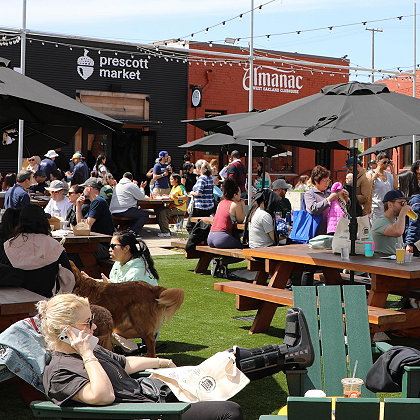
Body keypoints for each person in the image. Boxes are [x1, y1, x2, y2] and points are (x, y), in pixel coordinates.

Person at [39, 293, 313, 418]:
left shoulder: (89, 348)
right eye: (87, 323)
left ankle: (290, 353)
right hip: (152, 410)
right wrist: (87, 353)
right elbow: (103, 396)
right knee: (228, 412)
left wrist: (163, 362)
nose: (94, 328)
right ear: (65, 332)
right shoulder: (60, 372)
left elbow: (125, 363)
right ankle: (292, 354)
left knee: (223, 361)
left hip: (158, 389)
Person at [0, 204, 75, 297]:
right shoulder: (54, 245)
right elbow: (68, 279)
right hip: (45, 300)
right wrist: (59, 298)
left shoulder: (9, 245)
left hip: (13, 299)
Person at [304, 165, 348, 236]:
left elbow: (343, 209)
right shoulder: (309, 194)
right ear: (316, 181)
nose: (327, 183)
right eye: (324, 181)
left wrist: (345, 199)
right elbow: (313, 208)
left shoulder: (329, 193)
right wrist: (328, 199)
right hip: (316, 231)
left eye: (328, 180)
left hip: (331, 231)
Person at [371, 190, 411, 255]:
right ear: (390, 204)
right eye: (402, 203)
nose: (404, 206)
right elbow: (398, 232)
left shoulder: (394, 222)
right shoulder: (381, 221)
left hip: (394, 260)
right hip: (382, 260)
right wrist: (403, 213)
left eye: (406, 203)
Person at [367, 152, 398, 220]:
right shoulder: (371, 173)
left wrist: (393, 171)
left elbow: (396, 187)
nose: (386, 164)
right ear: (377, 161)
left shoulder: (389, 175)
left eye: (388, 162)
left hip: (388, 208)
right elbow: (369, 185)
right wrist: (378, 168)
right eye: (384, 162)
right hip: (376, 208)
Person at [187, 160, 215, 232]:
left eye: (196, 168)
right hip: (209, 205)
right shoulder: (210, 178)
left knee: (190, 226)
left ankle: (194, 238)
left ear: (199, 168)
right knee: (204, 226)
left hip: (200, 206)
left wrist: (191, 193)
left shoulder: (202, 178)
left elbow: (199, 193)